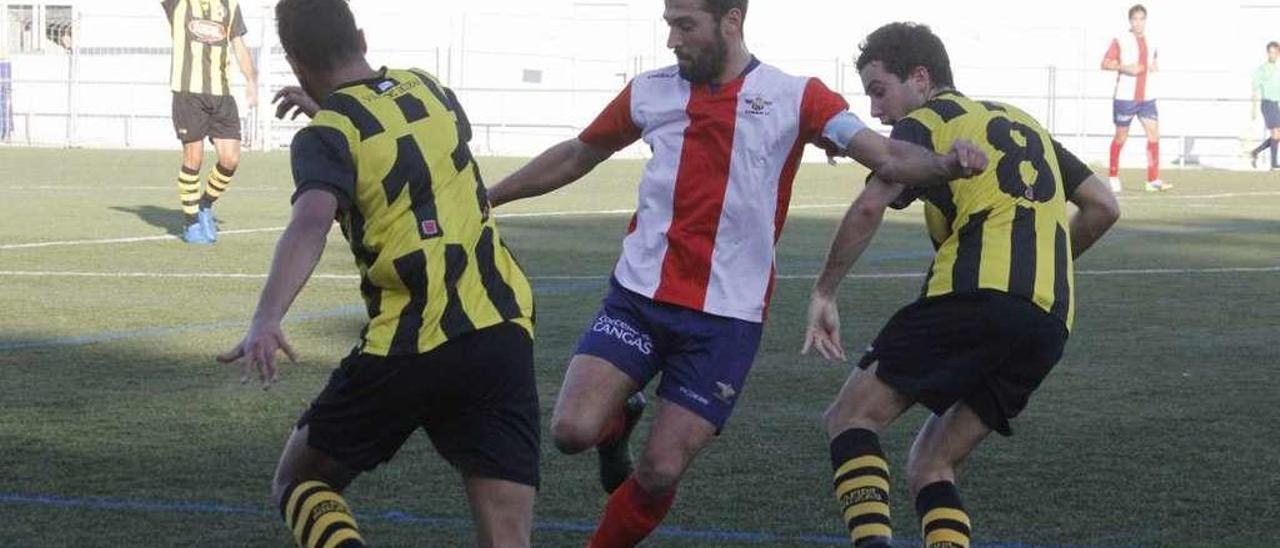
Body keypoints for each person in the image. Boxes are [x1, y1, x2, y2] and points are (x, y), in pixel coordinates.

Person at [486, 1, 985, 546]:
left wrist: (945, 165)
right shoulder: (649, 90)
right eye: (669, 26)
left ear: (731, 22)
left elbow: (884, 155)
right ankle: (617, 422)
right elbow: (580, 153)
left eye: (685, 26)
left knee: (659, 472)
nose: (673, 40)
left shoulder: (798, 96)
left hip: (726, 320)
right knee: (570, 431)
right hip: (640, 295)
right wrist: (489, 196)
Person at [217, 1, 539, 546]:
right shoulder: (432, 90)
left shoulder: (326, 136)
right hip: (500, 326)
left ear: (295, 64)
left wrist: (267, 316)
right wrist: (335, 110)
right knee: (506, 535)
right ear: (361, 36)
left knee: (299, 482)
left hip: (409, 344)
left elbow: (310, 224)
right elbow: (400, 140)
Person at [802, 22, 1120, 548]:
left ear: (921, 79)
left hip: (973, 297)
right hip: (1048, 321)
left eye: (880, 92)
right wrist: (1042, 268)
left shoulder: (927, 121)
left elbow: (869, 204)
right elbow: (1104, 207)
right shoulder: (1024, 122)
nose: (879, 112)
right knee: (932, 464)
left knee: (850, 418)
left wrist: (824, 291)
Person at [161, 0, 258, 244]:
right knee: (194, 158)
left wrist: (250, 80)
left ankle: (205, 204)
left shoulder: (230, 5)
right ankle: (191, 223)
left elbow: (238, 44)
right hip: (187, 93)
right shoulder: (179, 4)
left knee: (230, 159)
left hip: (222, 94)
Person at [1101, 3, 1168, 193]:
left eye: (1141, 19)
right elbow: (1105, 63)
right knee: (1121, 137)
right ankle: (1113, 176)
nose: (1138, 22)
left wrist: (1154, 65)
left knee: (1154, 134)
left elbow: (1153, 60)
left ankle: (1152, 180)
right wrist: (1125, 67)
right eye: (1135, 19)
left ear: (1145, 20)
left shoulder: (1152, 40)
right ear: (1130, 20)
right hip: (1125, 98)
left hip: (1147, 98)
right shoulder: (1121, 40)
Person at [1250, 41, 1280, 170]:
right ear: (1267, 53)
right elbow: (1255, 89)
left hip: (1276, 103)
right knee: (1275, 131)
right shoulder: (1262, 69)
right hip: (1267, 103)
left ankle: (1255, 152)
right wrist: (1253, 108)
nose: (1273, 55)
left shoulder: (1277, 69)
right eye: (1271, 52)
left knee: (1278, 134)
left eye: (1275, 52)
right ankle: (1273, 164)